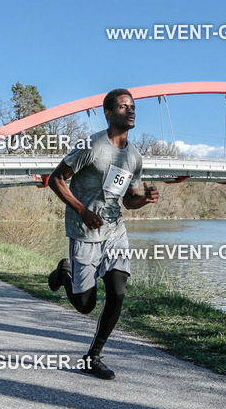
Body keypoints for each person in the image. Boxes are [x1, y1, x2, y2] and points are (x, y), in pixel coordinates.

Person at [47, 88, 158, 379]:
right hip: (84, 231)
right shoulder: (92, 145)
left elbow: (128, 200)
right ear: (108, 113)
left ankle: (92, 357)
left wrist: (144, 199)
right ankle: (64, 272)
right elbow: (55, 179)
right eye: (123, 106)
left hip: (115, 231)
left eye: (132, 106)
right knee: (85, 305)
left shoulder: (134, 157)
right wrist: (82, 210)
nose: (130, 110)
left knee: (117, 292)